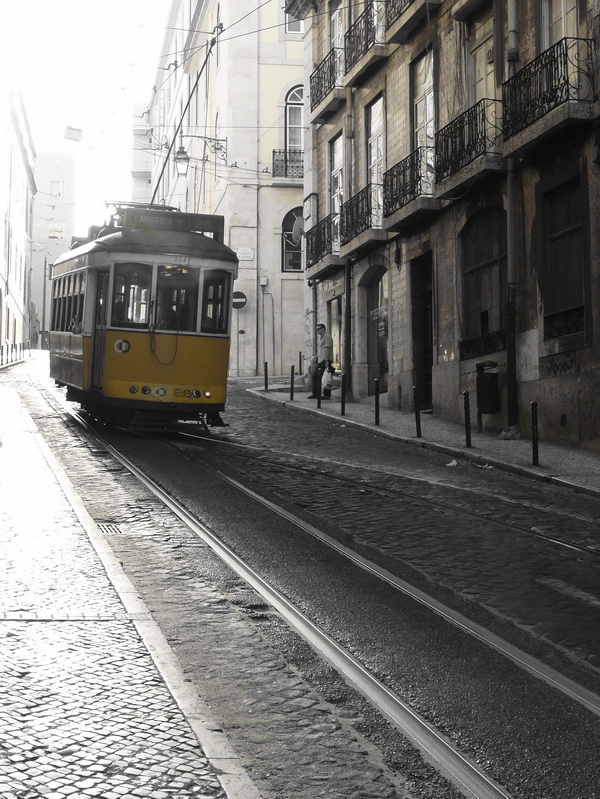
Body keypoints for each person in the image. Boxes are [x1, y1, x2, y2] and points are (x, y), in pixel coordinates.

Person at [307, 323, 334, 399]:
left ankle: (326, 395)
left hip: (325, 360)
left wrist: (326, 360)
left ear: (323, 329)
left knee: (326, 377)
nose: (317, 330)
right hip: (321, 360)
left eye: (319, 328)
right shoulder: (322, 337)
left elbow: (327, 349)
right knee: (317, 377)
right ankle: (316, 393)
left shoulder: (327, 336)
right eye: (316, 329)